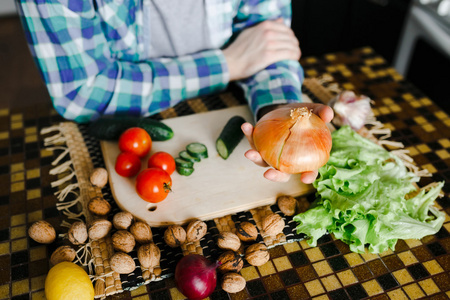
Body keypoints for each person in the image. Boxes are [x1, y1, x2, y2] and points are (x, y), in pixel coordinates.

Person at [16, 0, 333, 183]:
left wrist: (277, 110)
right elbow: (81, 92)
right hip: (120, 124)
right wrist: (227, 64)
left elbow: (267, 42)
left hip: (227, 104)